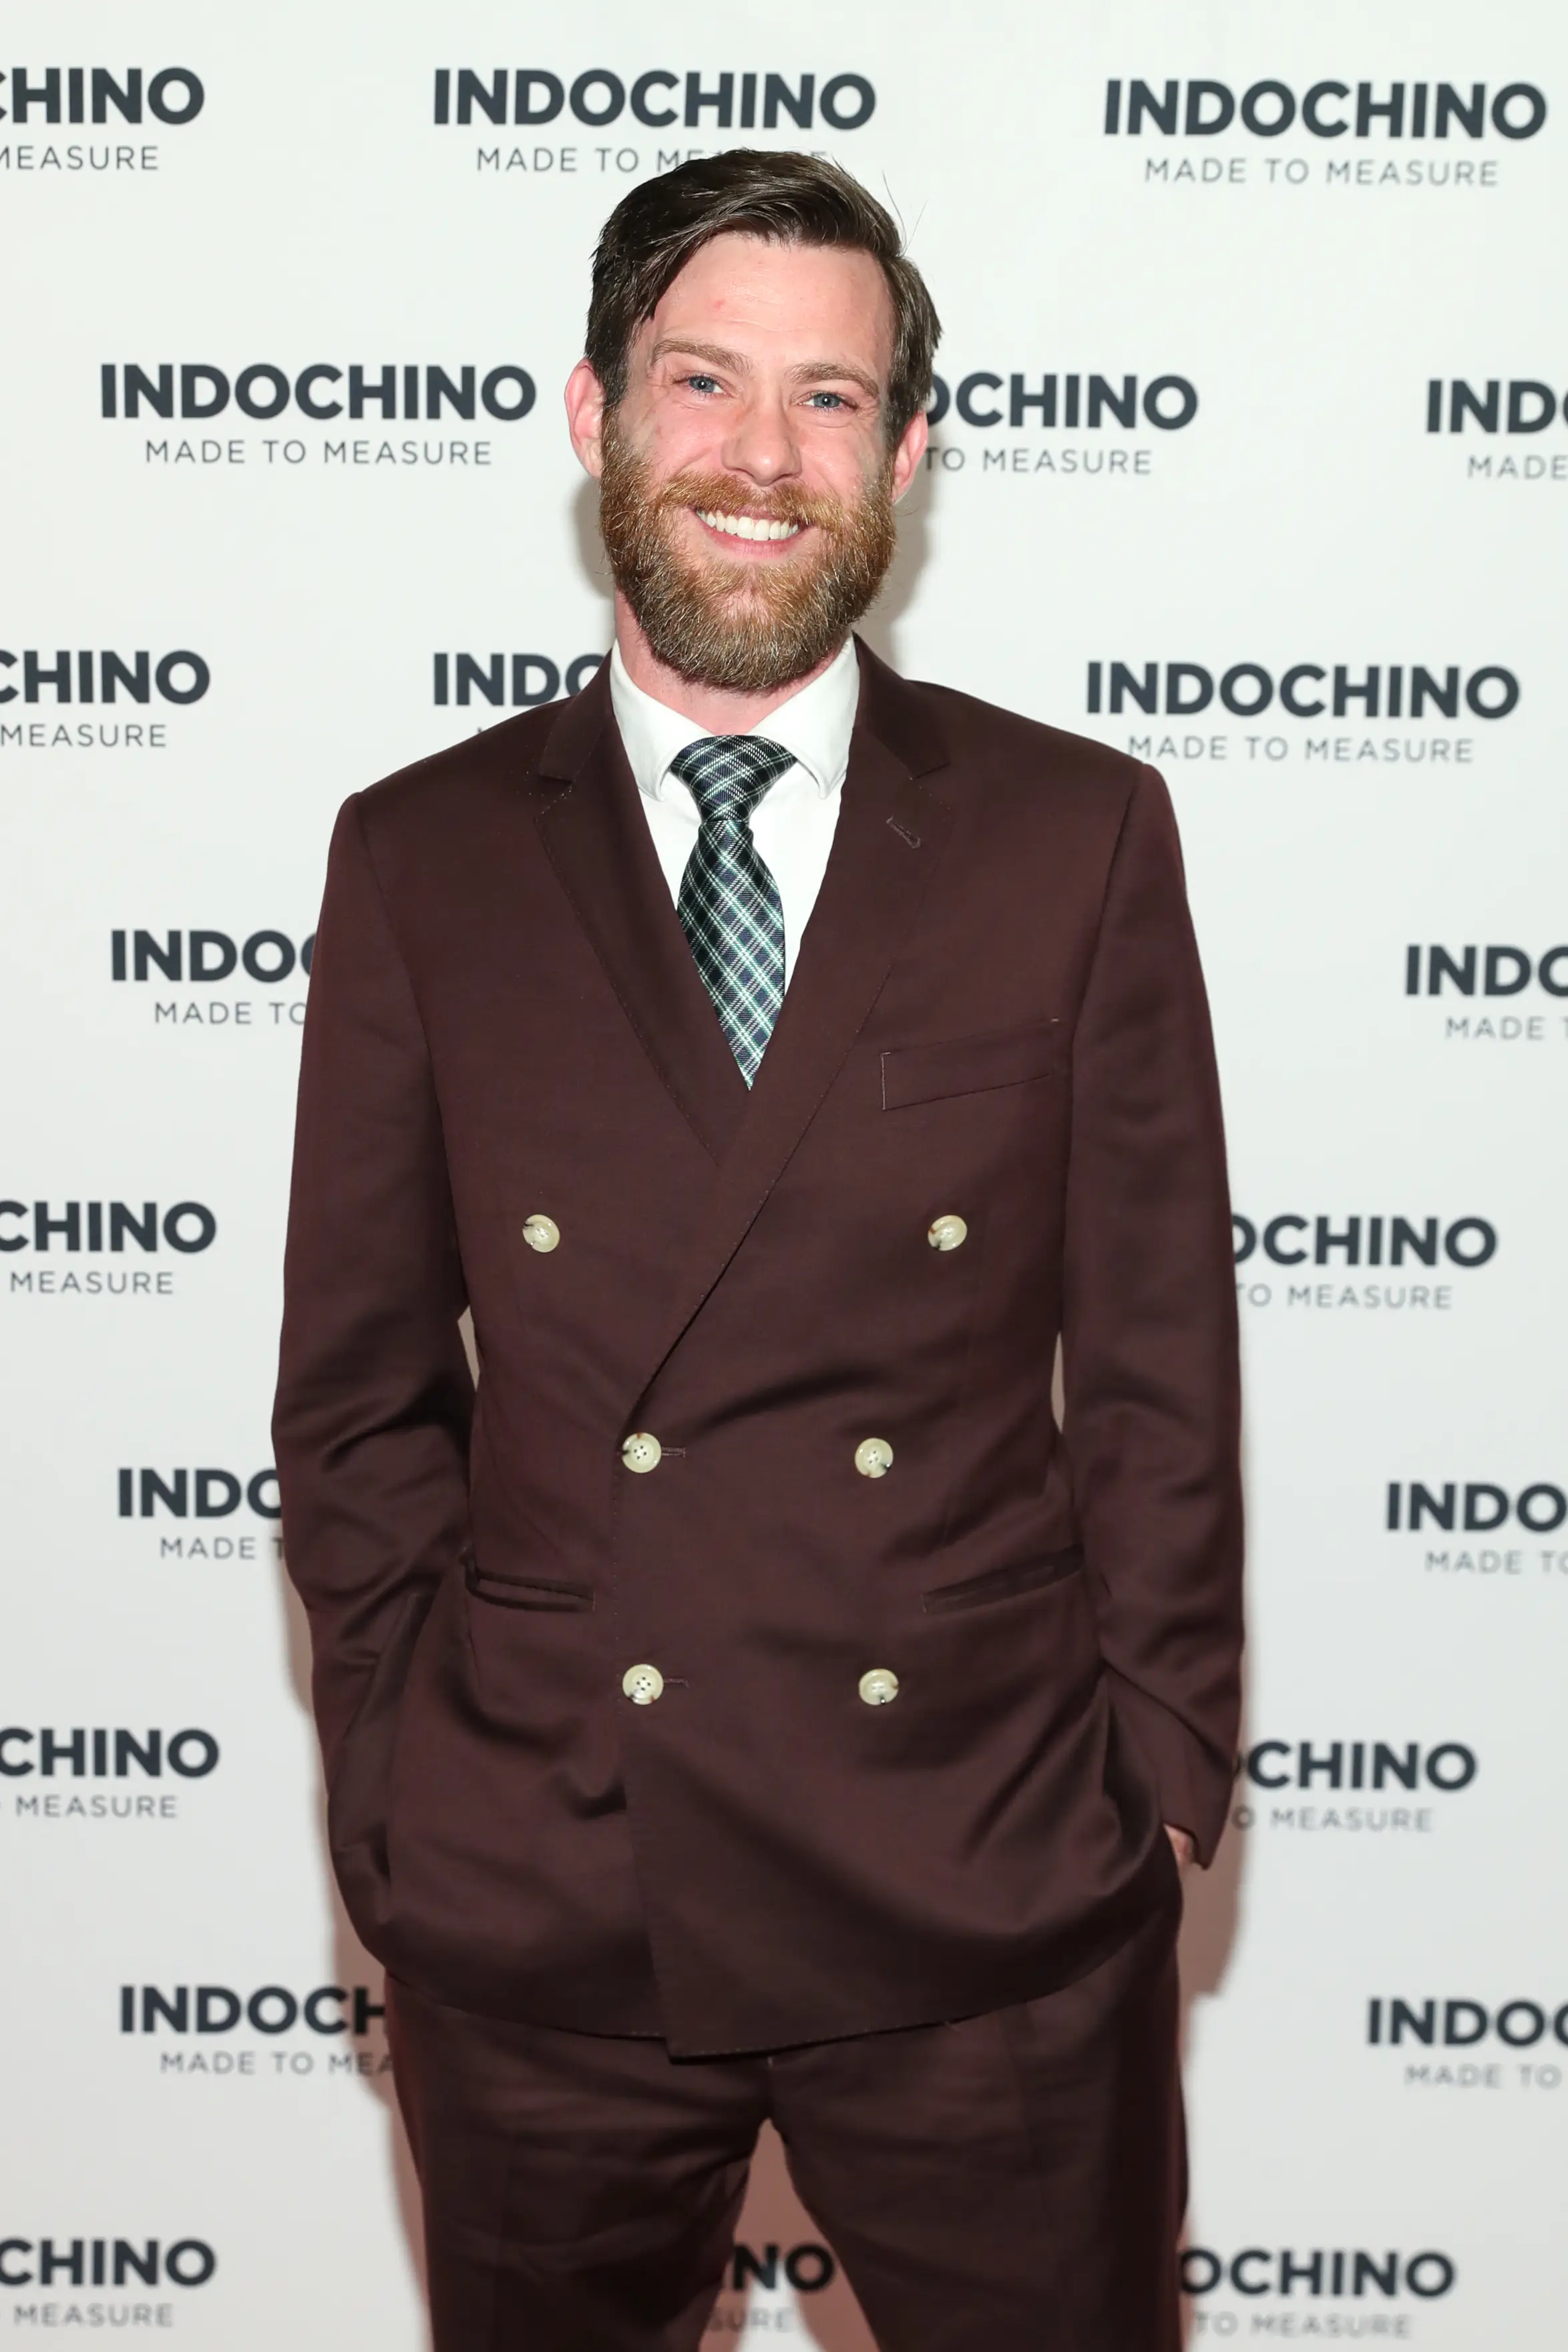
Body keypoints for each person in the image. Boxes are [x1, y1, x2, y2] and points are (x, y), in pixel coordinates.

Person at [273, 149, 1243, 2352]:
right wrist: (404, 1791)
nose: (762, 455)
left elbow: (1160, 1362)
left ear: (902, 455)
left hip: (986, 1866)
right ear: (595, 411)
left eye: (830, 398)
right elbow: (357, 1397)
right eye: (704, 381)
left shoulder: (1070, 832)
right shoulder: (420, 855)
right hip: (547, 1879)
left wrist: (1158, 1773)